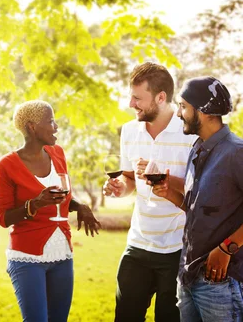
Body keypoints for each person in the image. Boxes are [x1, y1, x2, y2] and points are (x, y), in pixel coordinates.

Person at [102, 62, 197, 322]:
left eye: (137, 98)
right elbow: (130, 179)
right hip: (139, 243)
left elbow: (200, 187)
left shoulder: (189, 132)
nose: (131, 104)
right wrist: (119, 187)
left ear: (161, 97)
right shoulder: (130, 130)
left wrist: (161, 173)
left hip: (178, 248)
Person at [0, 100, 101, 322]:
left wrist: (79, 205)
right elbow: (3, 218)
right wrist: (34, 204)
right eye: (50, 121)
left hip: (62, 255)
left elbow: (63, 195)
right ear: (32, 127)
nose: (56, 127)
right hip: (26, 258)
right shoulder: (6, 165)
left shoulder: (57, 153)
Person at [152, 76, 243, 321]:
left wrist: (227, 248)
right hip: (188, 277)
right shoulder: (197, 148)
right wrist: (170, 194)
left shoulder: (237, 153)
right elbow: (198, 210)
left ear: (204, 111)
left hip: (221, 284)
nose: (179, 114)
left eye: (183, 107)